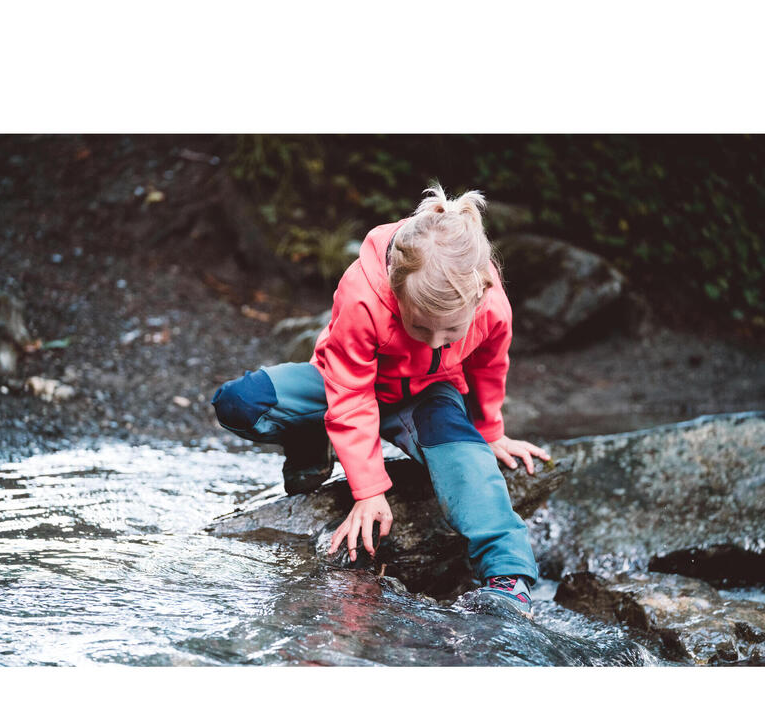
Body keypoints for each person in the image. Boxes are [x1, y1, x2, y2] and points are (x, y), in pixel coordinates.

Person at [211, 183, 550, 617]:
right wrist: (368, 490)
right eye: (420, 329)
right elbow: (350, 394)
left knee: (470, 465)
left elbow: (488, 366)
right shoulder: (362, 293)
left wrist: (491, 431)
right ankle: (310, 438)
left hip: (428, 396)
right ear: (395, 290)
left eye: (450, 333)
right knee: (241, 402)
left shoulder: (490, 303)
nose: (435, 342)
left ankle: (507, 576)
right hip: (345, 385)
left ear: (480, 293)